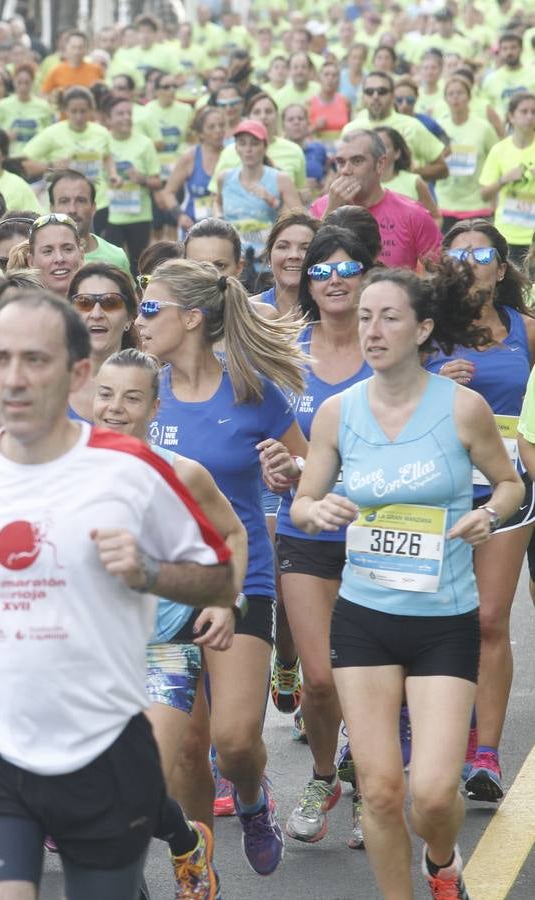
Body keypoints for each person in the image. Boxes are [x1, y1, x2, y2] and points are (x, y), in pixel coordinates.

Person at [0, 288, 234, 899]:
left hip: (108, 725)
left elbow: (218, 573)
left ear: (77, 371)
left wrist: (152, 574)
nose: (14, 376)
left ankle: (181, 838)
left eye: (35, 359)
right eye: (0, 358)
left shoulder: (135, 471)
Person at [289, 262, 522, 900]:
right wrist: (320, 509)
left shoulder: (463, 408)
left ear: (422, 329)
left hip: (443, 620)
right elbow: (304, 502)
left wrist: (486, 515)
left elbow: (510, 484)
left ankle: (442, 860)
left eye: (389, 317)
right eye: (365, 316)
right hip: (364, 618)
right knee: (383, 791)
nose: (372, 329)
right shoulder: (337, 413)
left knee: (433, 792)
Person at [135, 258, 309, 875]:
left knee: (235, 743)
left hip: (240, 578)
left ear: (191, 317)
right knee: (186, 747)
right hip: (161, 589)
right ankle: (195, 870)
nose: (139, 318)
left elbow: (309, 475)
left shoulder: (252, 389)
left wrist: (288, 477)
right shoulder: (139, 389)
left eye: (149, 307)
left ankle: (255, 799)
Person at [89, 347, 245, 900]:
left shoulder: (184, 475)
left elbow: (231, 536)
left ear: (155, 407)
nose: (115, 408)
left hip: (163, 651)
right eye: (106, 394)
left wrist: (225, 601)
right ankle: (184, 841)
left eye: (132, 398)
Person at [257, 226, 376, 848]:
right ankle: (326, 775)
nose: (334, 280)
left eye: (347, 268)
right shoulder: (284, 347)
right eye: (322, 271)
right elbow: (264, 428)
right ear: (308, 282)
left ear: (366, 275)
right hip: (305, 527)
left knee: (370, 671)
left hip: (380, 532)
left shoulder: (387, 343)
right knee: (322, 678)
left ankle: (365, 785)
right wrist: (275, 463)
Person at [428, 221, 535, 802]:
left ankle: (486, 754)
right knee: (448, 619)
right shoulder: (427, 330)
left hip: (505, 489)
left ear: (501, 267)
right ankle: (456, 729)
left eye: (484, 254)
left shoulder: (526, 330)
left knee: (491, 618)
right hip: (433, 491)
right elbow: (388, 388)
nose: (471, 263)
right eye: (459, 254)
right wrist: (433, 379)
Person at [310, 129, 443, 270]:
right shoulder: (320, 208)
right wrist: (330, 211)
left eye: (357, 161)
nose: (345, 170)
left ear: (380, 164)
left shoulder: (412, 213)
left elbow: (439, 273)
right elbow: (307, 265)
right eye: (341, 162)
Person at [212, 119, 302, 273]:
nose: (248, 149)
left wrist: (272, 201)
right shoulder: (224, 178)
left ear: (265, 146)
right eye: (242, 143)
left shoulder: (280, 179)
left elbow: (301, 220)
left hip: (265, 264)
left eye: (254, 143)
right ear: (236, 147)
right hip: (234, 264)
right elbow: (217, 202)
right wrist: (219, 218)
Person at [62, 262, 137, 419]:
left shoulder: (150, 383)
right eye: (84, 303)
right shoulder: (50, 384)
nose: (96, 314)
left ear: (130, 317)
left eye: (110, 302)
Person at [348, 71, 449, 183]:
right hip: (363, 200)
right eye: (369, 91)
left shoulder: (412, 125)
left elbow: (442, 169)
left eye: (382, 91)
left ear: (392, 96)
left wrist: (405, 175)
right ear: (363, 96)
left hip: (404, 198)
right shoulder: (351, 129)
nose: (375, 96)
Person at [102, 97, 163, 271]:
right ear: (108, 119)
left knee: (139, 266)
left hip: (139, 215)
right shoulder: (102, 141)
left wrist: (141, 179)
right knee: (109, 265)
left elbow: (157, 182)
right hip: (109, 214)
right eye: (120, 114)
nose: (126, 117)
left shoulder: (145, 143)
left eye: (129, 113)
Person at [436, 75, 500, 233]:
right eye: (451, 94)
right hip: (444, 205)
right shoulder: (439, 127)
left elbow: (497, 160)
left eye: (460, 93)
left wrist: (494, 199)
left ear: (469, 97)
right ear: (445, 99)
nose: (455, 97)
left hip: (477, 206)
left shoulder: (483, 128)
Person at [478, 93, 535, 266]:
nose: (530, 116)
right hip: (506, 234)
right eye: (524, 111)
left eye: (533, 111)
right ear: (511, 116)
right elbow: (484, 194)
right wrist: (503, 179)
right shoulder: (499, 150)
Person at [159, 107, 225, 237]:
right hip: (192, 228)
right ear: (201, 133)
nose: (218, 130)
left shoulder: (232, 154)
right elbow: (167, 192)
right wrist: (179, 216)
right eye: (211, 127)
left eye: (221, 125)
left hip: (224, 229)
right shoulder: (190, 157)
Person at [45, 171, 130, 271]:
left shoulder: (116, 257)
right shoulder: (40, 260)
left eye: (80, 200)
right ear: (52, 208)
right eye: (64, 201)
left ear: (93, 207)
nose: (72, 210)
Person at [374, 126, 443, 228]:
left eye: (383, 148)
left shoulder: (414, 181)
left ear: (397, 153)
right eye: (374, 148)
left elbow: (436, 218)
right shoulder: (363, 183)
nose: (379, 153)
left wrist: (426, 241)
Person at [259, 212, 322, 315]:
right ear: (269, 258)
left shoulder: (332, 312)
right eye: (283, 247)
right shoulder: (248, 311)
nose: (294, 255)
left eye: (305, 248)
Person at [0, 65, 56, 158]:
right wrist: (4, 136)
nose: (23, 87)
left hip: (36, 158)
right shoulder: (3, 105)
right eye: (19, 82)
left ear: (33, 83)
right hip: (11, 157)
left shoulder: (43, 106)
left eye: (27, 83)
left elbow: (50, 133)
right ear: (14, 82)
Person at [26, 212, 85, 299]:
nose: (59, 258)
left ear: (81, 255)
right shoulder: (19, 309)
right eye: (48, 251)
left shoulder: (102, 305)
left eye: (68, 249)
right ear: (31, 261)